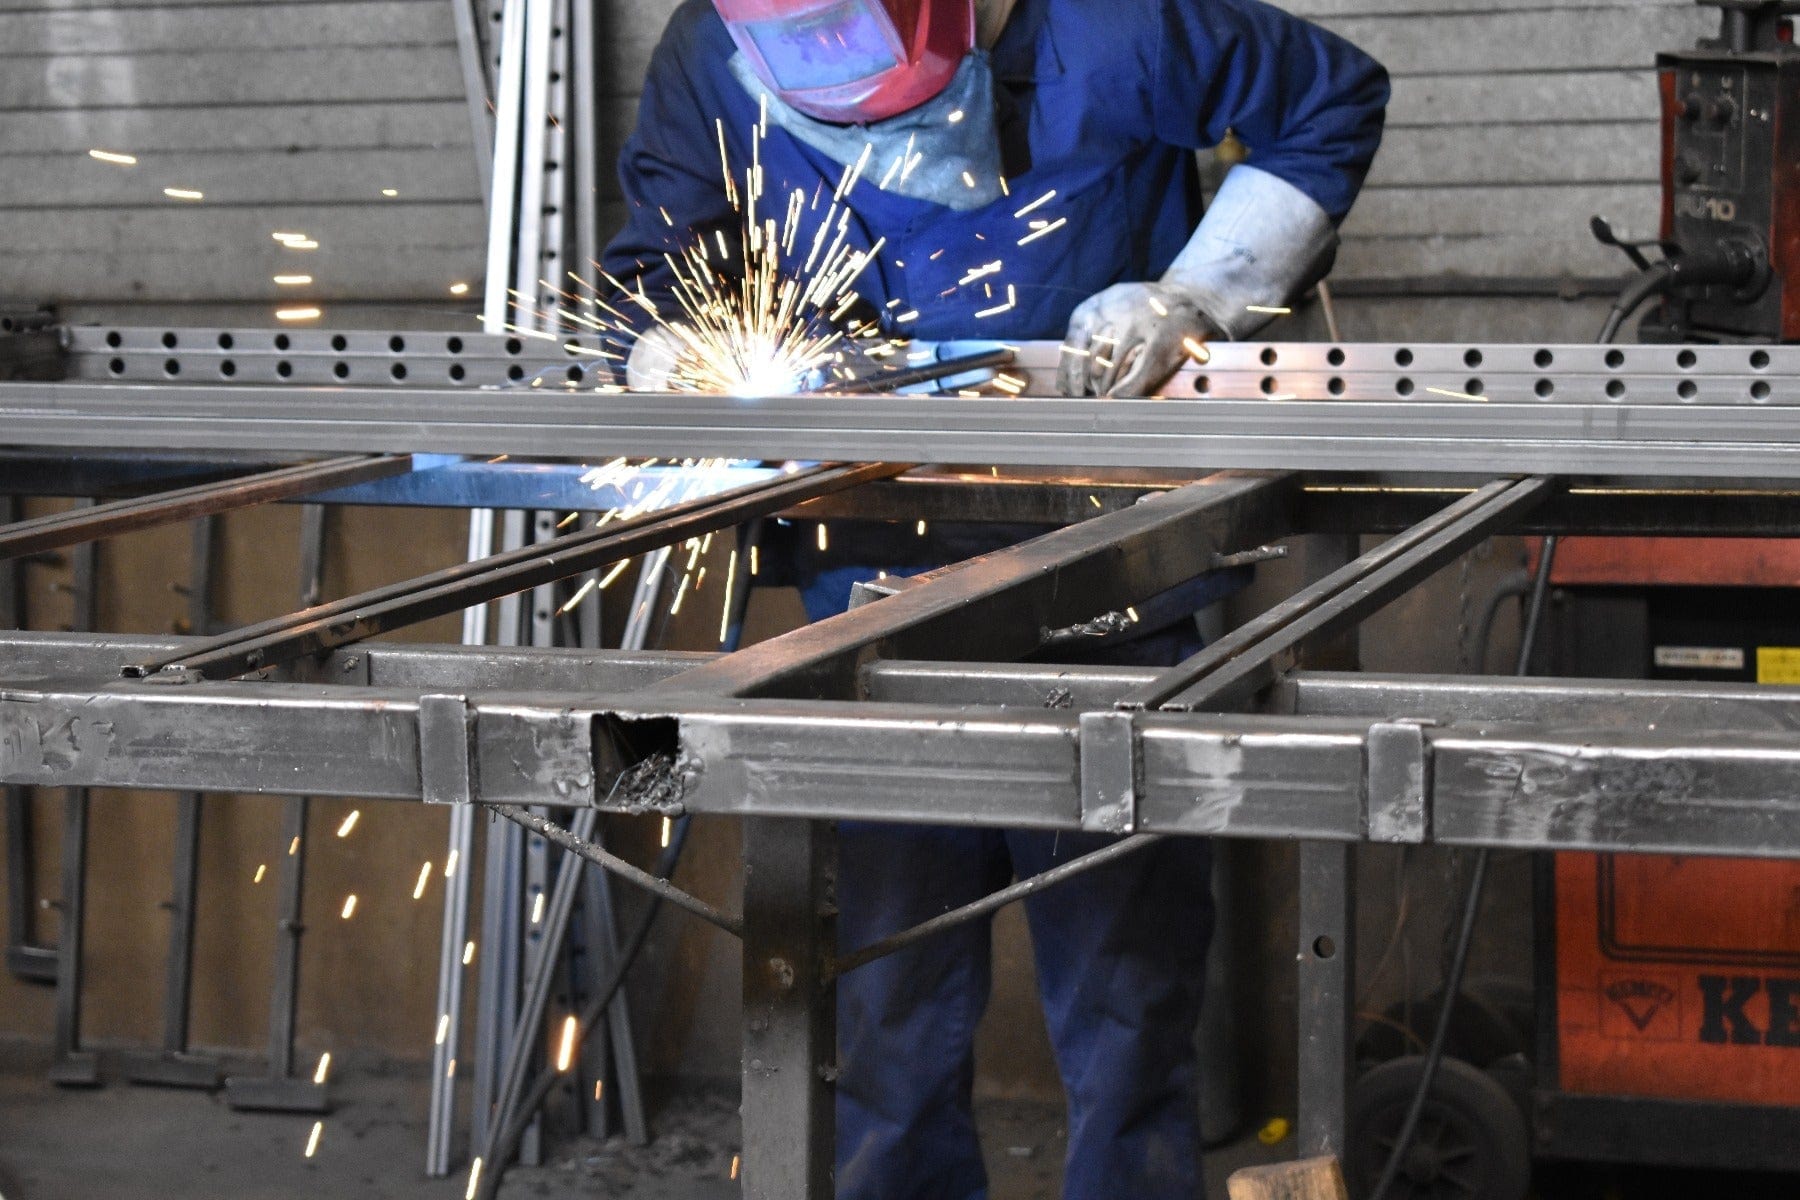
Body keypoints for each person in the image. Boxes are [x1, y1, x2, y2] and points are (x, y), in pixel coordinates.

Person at [601, 2, 1387, 1196]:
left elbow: (1330, 96)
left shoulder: (1111, 26)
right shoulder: (716, 42)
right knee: (886, 1001)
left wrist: (1195, 295)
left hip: (1112, 577)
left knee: (1128, 998)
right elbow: (664, 258)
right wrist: (672, 346)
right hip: (869, 586)